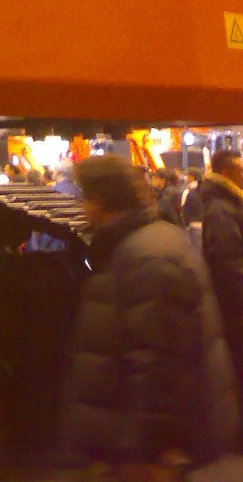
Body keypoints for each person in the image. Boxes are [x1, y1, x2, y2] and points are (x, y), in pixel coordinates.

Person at [62, 155, 239, 479]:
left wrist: (143, 449)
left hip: (147, 451)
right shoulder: (143, 245)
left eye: (84, 197)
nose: (82, 207)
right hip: (141, 442)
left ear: (100, 199)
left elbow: (157, 363)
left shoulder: (147, 257)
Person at [202, 149, 243, 395]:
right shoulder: (221, 210)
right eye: (241, 170)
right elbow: (228, 265)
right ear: (227, 173)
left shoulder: (229, 204)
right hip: (235, 309)